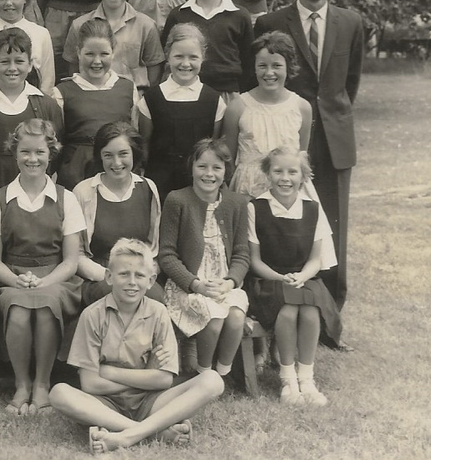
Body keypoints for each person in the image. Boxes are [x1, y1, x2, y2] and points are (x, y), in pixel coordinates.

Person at [254, 0, 364, 322]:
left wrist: (331, 117)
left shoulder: (351, 22)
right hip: (287, 137)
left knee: (331, 226)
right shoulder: (270, 23)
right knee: (284, 223)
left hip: (334, 138)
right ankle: (281, 305)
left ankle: (330, 313)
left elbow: (349, 84)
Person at [50, 239, 224, 453]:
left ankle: (123, 435)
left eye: (139, 275)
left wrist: (109, 372)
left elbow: (164, 380)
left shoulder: (159, 313)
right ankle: (153, 432)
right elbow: (90, 384)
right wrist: (147, 376)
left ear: (151, 281)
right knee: (59, 393)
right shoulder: (92, 316)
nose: (132, 282)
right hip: (104, 404)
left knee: (213, 380)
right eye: (124, 274)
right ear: (109, 277)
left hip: (150, 403)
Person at [0, 118, 85, 416]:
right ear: (14, 153)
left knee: (47, 305)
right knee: (21, 312)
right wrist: (15, 280)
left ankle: (42, 384)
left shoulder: (66, 198)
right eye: (25, 152)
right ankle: (22, 383)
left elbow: (71, 260)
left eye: (39, 152)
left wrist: (47, 280)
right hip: (13, 277)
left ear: (51, 153)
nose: (32, 159)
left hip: (57, 278)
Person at [247, 146, 342, 404]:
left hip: (304, 277)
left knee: (310, 311)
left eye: (292, 172)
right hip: (268, 280)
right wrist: (281, 278)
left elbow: (315, 259)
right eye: (278, 171)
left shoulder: (313, 209)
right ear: (268, 173)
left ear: (303, 176)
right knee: (288, 311)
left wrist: (301, 276)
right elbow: (255, 261)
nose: (285, 178)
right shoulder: (256, 208)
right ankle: (288, 381)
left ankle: (307, 380)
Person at [157, 138, 251, 379]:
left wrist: (230, 282)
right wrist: (196, 284)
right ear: (191, 167)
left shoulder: (237, 204)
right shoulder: (177, 200)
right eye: (202, 166)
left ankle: (222, 373)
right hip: (187, 286)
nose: (209, 174)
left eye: (217, 168)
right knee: (215, 318)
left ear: (226, 171)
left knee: (236, 316)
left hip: (223, 284)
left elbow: (241, 253)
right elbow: (167, 256)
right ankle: (204, 373)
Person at [0, 27, 64, 190]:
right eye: (4, 61)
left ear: (30, 64)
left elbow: (56, 155)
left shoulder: (47, 106)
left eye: (19, 61)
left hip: (31, 187)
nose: (12, 68)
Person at [72, 122, 163, 305]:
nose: (116, 163)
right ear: (100, 157)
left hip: (138, 274)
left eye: (123, 154)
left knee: (156, 299)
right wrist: (109, 276)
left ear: (134, 154)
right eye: (108, 155)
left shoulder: (148, 188)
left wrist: (142, 274)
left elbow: (153, 248)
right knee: (118, 296)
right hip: (99, 277)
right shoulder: (84, 192)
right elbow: (76, 254)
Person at [52, 19, 149, 189]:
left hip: (117, 169)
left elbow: (134, 134)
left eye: (104, 54)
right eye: (89, 54)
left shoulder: (127, 88)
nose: (97, 61)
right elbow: (57, 141)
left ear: (113, 52)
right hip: (76, 173)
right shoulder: (62, 92)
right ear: (78, 52)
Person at [224, 31, 315, 200]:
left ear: (289, 66)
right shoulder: (237, 107)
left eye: (277, 66)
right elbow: (228, 161)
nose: (269, 72)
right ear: (254, 67)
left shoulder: (302, 107)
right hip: (248, 191)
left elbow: (301, 157)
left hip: (288, 190)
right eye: (262, 66)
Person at [142, 23, 226, 202]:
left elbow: (215, 145)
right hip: (160, 182)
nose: (185, 63)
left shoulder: (213, 100)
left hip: (200, 183)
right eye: (178, 56)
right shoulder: (151, 99)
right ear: (167, 56)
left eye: (193, 57)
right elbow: (144, 145)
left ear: (203, 57)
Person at [160, 0, 254, 100]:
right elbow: (166, 57)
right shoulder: (178, 15)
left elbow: (249, 62)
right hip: (185, 92)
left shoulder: (239, 15)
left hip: (227, 93)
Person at [61, 0, 165, 91]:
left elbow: (154, 71)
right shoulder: (79, 26)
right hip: (91, 97)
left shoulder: (146, 25)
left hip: (133, 99)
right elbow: (73, 68)